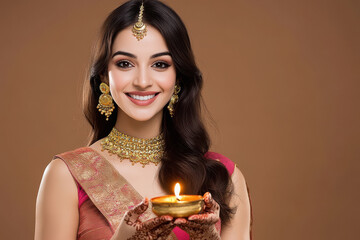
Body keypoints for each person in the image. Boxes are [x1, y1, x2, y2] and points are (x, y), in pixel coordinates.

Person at [35, 0, 252, 239]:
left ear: (178, 78)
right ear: (103, 76)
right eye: (125, 64)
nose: (142, 81)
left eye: (159, 64)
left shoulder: (224, 177)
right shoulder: (67, 175)